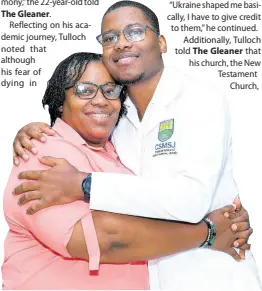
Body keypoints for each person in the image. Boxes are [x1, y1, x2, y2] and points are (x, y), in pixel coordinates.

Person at [10, 1, 261, 289]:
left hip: (212, 275)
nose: (121, 44)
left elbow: (192, 201)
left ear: (162, 42)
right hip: (155, 279)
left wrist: (85, 184)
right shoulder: (115, 118)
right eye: (110, 38)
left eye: (135, 32)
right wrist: (31, 130)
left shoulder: (200, 98)